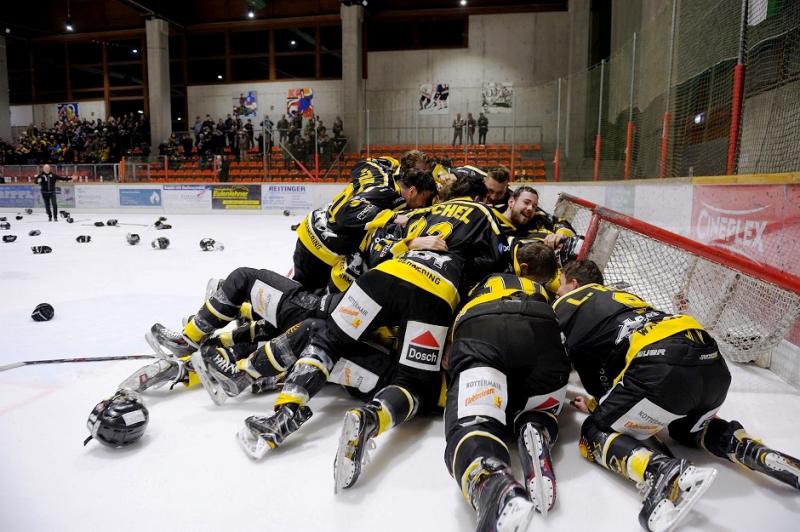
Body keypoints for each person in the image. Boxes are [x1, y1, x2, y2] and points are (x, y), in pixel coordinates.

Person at [554, 260, 800, 532]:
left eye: (558, 288)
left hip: (662, 368)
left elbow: (549, 345)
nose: (557, 293)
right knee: (686, 430)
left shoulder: (570, 301)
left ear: (573, 285)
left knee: (594, 431)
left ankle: (660, 471)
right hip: (711, 364)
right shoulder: (623, 297)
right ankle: (752, 450)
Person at [444, 243, 571, 531]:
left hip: (483, 326)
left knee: (475, 419)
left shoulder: (481, 283)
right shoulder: (542, 290)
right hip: (544, 329)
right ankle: (535, 426)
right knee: (539, 407)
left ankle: (493, 484)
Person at [292, 153, 435, 291]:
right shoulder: (387, 192)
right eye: (423, 198)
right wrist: (391, 217)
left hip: (315, 226)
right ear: (412, 191)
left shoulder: (385, 167)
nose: (424, 204)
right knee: (303, 297)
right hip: (320, 247)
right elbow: (346, 212)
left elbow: (361, 165)